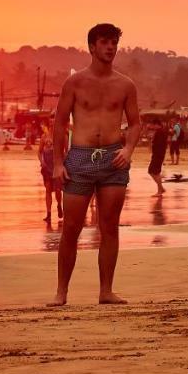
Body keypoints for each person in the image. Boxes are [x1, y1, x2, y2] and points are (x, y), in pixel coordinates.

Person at [50, 23, 142, 306]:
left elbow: (137, 123)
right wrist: (57, 163)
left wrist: (128, 148)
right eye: (104, 42)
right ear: (92, 47)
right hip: (79, 157)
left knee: (110, 226)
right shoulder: (75, 82)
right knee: (71, 228)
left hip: (113, 157)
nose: (110, 47)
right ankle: (61, 292)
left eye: (113, 42)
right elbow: (60, 122)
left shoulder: (125, 84)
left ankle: (106, 291)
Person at [38, 125, 63, 223]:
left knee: (57, 190)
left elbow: (64, 151)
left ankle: (59, 205)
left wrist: (61, 163)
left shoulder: (60, 136)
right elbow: (39, 152)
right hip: (47, 168)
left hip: (56, 167)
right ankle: (48, 214)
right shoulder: (44, 137)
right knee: (48, 190)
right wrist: (42, 162)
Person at [147, 120, 168, 196]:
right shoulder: (161, 131)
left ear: (157, 124)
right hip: (158, 155)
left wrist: (151, 140)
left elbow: (158, 145)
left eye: (153, 125)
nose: (152, 127)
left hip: (158, 155)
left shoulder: (160, 132)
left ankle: (160, 189)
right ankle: (161, 189)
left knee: (153, 171)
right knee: (154, 172)